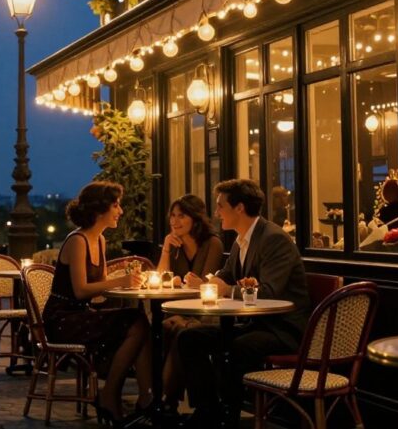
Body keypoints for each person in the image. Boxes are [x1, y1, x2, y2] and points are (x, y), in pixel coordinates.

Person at [178, 179, 310, 429]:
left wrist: (226, 289)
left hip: (283, 329)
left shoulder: (273, 239)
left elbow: (270, 292)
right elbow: (226, 275)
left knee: (238, 347)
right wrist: (209, 282)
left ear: (239, 208)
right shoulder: (241, 240)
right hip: (256, 324)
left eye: (220, 206)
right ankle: (208, 410)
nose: (216, 212)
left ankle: (230, 417)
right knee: (190, 338)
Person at [44, 181, 153, 426]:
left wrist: (127, 280)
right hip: (64, 318)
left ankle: (145, 397)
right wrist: (121, 280)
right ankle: (113, 396)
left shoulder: (99, 239)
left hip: (83, 313)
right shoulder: (77, 241)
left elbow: (100, 290)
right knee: (137, 323)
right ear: (99, 209)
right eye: (116, 205)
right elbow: (81, 290)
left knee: (139, 323)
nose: (120, 211)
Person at [154, 194, 224, 411]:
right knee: (163, 328)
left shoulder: (212, 243)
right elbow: (161, 279)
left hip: (206, 313)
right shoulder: (174, 245)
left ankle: (165, 398)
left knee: (177, 329)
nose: (175, 221)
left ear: (195, 218)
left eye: (181, 216)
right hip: (177, 311)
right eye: (172, 216)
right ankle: (169, 400)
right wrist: (166, 248)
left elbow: (208, 286)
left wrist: (194, 284)